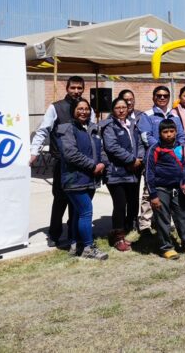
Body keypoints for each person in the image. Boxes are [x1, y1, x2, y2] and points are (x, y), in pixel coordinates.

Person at [30, 76, 94, 247]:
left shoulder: (87, 108)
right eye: (73, 88)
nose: (76, 91)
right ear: (67, 88)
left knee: (78, 202)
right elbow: (43, 130)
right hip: (62, 162)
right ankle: (54, 234)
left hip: (82, 163)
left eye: (79, 88)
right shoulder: (56, 107)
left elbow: (92, 131)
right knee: (60, 200)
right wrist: (34, 152)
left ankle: (75, 235)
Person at [55, 98, 107, 260]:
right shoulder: (66, 129)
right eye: (80, 108)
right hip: (74, 179)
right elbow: (70, 154)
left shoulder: (93, 128)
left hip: (90, 179)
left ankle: (74, 243)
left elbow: (101, 150)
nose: (84, 111)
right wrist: (93, 166)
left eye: (86, 108)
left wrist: (103, 163)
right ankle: (87, 247)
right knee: (86, 212)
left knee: (78, 213)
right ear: (73, 111)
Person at [147, 120, 185, 258]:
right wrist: (153, 195)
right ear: (160, 133)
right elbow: (149, 173)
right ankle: (166, 247)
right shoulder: (155, 149)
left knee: (184, 215)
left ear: (176, 132)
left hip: (178, 188)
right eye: (165, 132)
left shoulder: (179, 147)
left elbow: (183, 167)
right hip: (161, 188)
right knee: (163, 218)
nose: (169, 135)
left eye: (171, 131)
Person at [137, 85, 185, 233]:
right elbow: (146, 136)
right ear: (154, 98)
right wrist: (162, 148)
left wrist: (178, 149)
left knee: (170, 191)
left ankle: (163, 222)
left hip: (173, 160)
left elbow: (181, 135)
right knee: (149, 191)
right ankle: (145, 224)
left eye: (165, 95)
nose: (162, 98)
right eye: (159, 95)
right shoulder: (147, 115)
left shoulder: (174, 115)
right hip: (156, 158)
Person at [102, 97, 145, 252]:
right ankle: (117, 237)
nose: (121, 110)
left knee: (131, 201)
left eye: (124, 107)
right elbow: (111, 146)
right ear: (113, 110)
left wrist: (139, 158)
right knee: (120, 205)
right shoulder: (109, 126)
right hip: (116, 172)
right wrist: (131, 160)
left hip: (132, 171)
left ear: (128, 109)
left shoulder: (133, 125)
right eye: (117, 107)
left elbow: (140, 142)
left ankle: (127, 230)